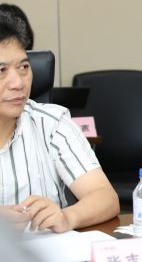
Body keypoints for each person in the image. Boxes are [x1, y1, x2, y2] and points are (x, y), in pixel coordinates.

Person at [0, 12, 119, 232]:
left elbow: (105, 198)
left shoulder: (52, 124)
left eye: (24, 67)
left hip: (47, 251)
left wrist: (67, 217)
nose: (18, 83)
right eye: (1, 70)